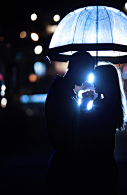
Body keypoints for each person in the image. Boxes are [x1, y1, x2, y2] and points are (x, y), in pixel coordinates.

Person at [45, 51, 95, 195]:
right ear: (79, 69)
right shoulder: (61, 93)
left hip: (64, 165)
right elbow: (70, 129)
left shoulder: (63, 90)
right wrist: (85, 107)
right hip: (65, 168)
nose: (87, 78)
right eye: (87, 72)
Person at [77, 62, 127, 195]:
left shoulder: (104, 107)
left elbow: (82, 129)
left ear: (105, 81)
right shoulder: (112, 104)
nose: (94, 84)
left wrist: (83, 105)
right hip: (106, 165)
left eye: (97, 79)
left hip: (98, 167)